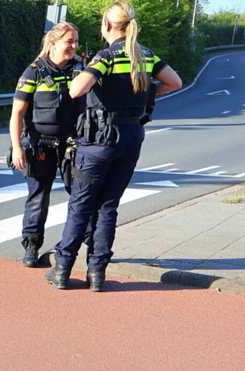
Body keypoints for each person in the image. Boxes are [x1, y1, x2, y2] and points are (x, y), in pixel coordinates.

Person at [46, 1, 181, 291]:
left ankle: (63, 270)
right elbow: (175, 83)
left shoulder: (106, 56)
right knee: (108, 206)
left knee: (81, 205)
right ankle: (97, 274)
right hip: (132, 137)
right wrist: (143, 91)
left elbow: (76, 90)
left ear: (107, 25)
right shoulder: (146, 55)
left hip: (100, 139)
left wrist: (93, 78)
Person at [10, 21, 83, 268]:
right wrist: (17, 148)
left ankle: (84, 246)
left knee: (80, 196)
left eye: (76, 41)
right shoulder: (34, 72)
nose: (74, 46)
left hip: (72, 145)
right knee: (38, 197)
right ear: (53, 43)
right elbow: (17, 113)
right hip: (39, 146)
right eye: (69, 41)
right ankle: (31, 246)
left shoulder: (81, 69)